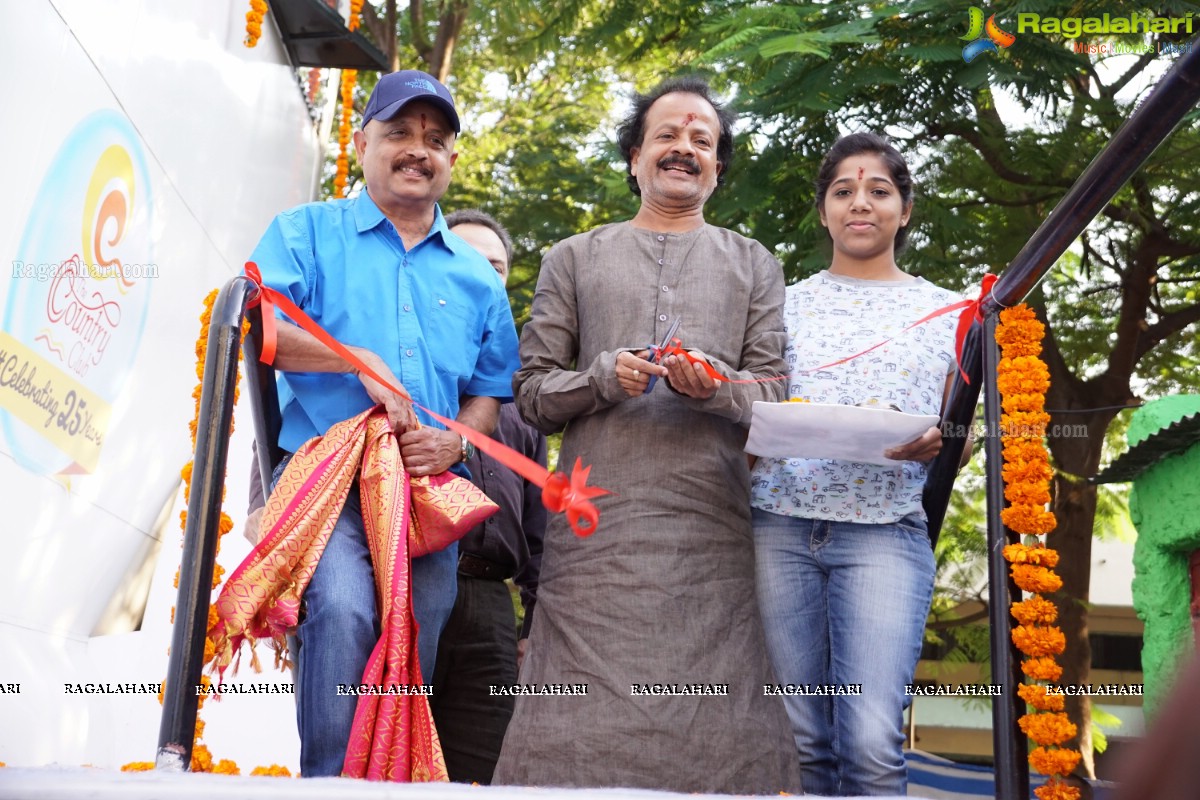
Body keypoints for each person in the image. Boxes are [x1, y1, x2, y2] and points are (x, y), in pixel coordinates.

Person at [492, 76, 802, 794]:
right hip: (597, 537)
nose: (684, 149)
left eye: (702, 141)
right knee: (575, 724)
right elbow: (532, 395)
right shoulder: (575, 257)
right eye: (668, 135)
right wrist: (602, 378)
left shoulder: (753, 262)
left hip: (711, 538)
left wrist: (716, 387)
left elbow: (776, 391)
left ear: (717, 168)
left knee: (716, 724)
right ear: (635, 156)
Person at [248, 70, 520, 778]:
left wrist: (458, 438)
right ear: (365, 141)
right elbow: (263, 327)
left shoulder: (478, 277)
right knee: (341, 613)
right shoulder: (304, 232)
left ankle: (389, 788)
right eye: (399, 132)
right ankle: (330, 786)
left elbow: (489, 392)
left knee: (413, 651)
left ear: (452, 161)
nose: (416, 150)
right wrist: (356, 358)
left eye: (435, 140)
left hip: (428, 494)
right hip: (326, 482)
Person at [749, 132, 968, 796]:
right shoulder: (780, 301)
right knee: (799, 741)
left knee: (871, 743)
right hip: (778, 527)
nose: (860, 204)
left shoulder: (951, 310)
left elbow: (961, 422)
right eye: (843, 191)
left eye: (879, 190)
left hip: (884, 533)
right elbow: (751, 395)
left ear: (905, 208)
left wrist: (942, 439)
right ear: (824, 212)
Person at [429, 209, 548, 784]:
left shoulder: (524, 404)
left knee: (483, 772)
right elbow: (297, 437)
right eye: (467, 259)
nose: (482, 274)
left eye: (495, 267)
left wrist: (533, 629)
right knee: (380, 769)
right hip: (400, 590)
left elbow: (540, 537)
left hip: (490, 609)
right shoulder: (397, 362)